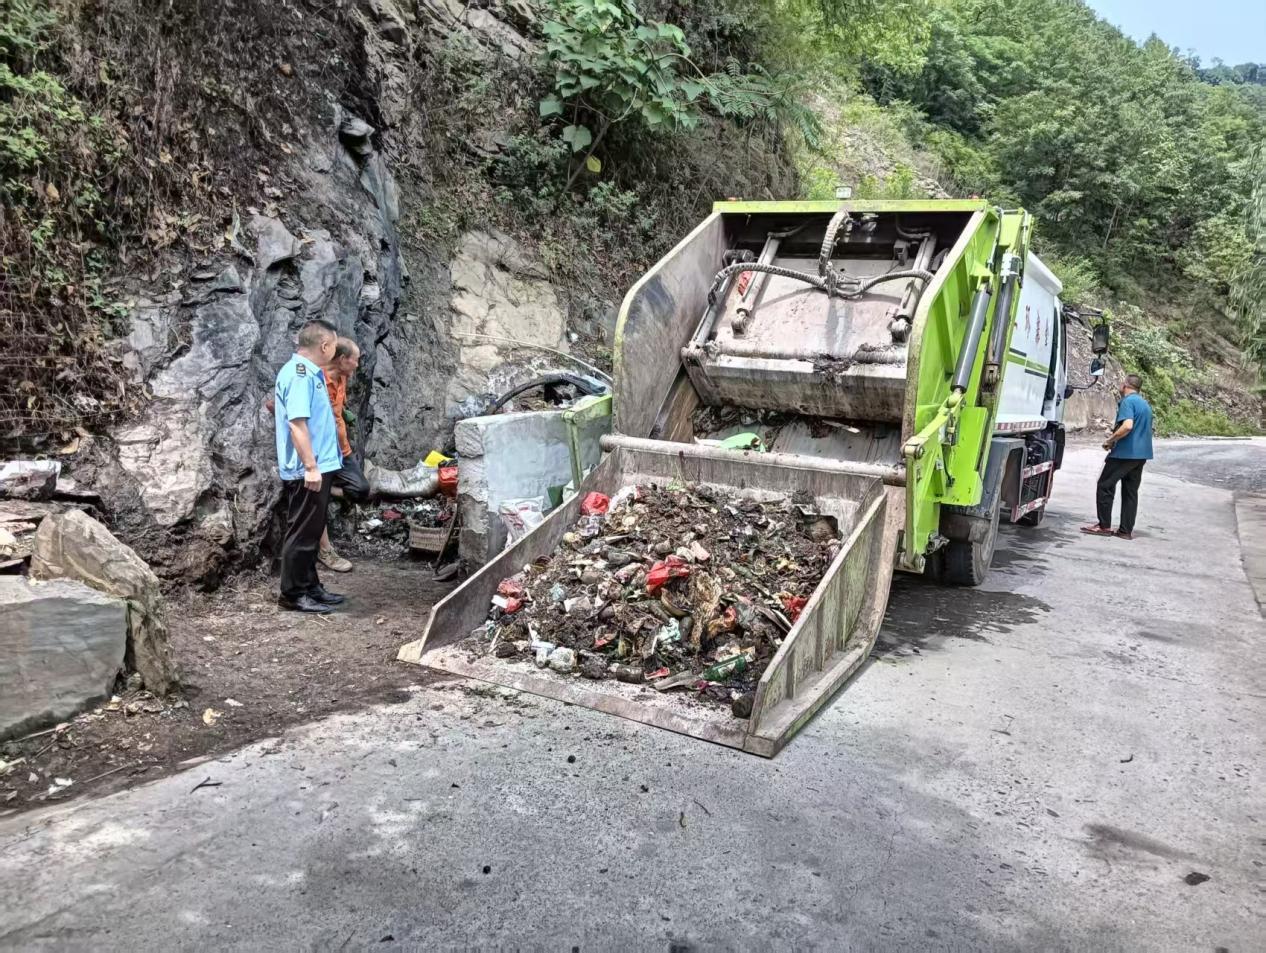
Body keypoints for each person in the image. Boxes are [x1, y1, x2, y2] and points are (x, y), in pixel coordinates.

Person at [273, 320, 346, 613]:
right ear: (325, 346)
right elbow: (297, 423)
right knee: (302, 533)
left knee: (312, 532)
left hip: (320, 465)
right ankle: (292, 594)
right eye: (334, 344)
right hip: (309, 469)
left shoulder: (308, 373)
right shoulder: (300, 375)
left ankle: (310, 587)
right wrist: (311, 467)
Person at [318, 337, 369, 573]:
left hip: (341, 449)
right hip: (321, 451)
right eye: (355, 360)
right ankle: (324, 550)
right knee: (317, 502)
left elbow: (338, 409)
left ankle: (327, 489)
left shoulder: (343, 377)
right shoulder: (316, 381)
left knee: (360, 489)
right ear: (342, 359)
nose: (357, 365)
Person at [1082, 374, 1153, 540]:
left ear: (1126, 385)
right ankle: (1125, 531)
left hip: (1125, 453)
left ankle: (1104, 525)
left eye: (1122, 383)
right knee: (1130, 492)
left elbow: (1128, 426)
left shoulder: (1128, 402)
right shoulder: (1145, 404)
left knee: (1105, 485)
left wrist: (1110, 440)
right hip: (1141, 455)